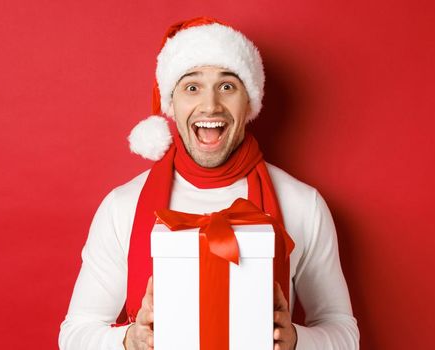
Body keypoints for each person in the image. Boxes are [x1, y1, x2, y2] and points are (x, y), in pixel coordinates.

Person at [58, 17, 359, 350]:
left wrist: (297, 340)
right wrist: (130, 341)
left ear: (250, 102)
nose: (210, 105)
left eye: (227, 86)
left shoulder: (302, 204)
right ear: (172, 104)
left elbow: (344, 334)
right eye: (192, 87)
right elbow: (75, 335)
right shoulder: (122, 206)